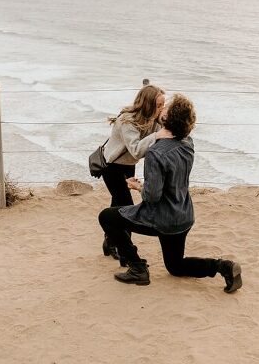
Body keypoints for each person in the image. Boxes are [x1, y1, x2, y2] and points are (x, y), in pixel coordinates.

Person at [98, 93, 243, 293]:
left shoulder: (156, 153)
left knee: (107, 217)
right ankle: (223, 266)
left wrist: (138, 187)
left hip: (161, 218)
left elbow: (152, 197)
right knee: (175, 266)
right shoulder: (188, 142)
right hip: (183, 215)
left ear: (167, 118)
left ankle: (137, 268)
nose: (162, 108)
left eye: (165, 108)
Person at [100, 84, 167, 260]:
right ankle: (127, 255)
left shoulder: (153, 119)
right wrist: (157, 136)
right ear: (147, 104)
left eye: (163, 104)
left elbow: (165, 135)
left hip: (128, 165)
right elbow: (137, 150)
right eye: (159, 105)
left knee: (117, 204)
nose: (162, 109)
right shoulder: (126, 121)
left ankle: (109, 241)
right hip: (112, 166)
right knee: (127, 209)